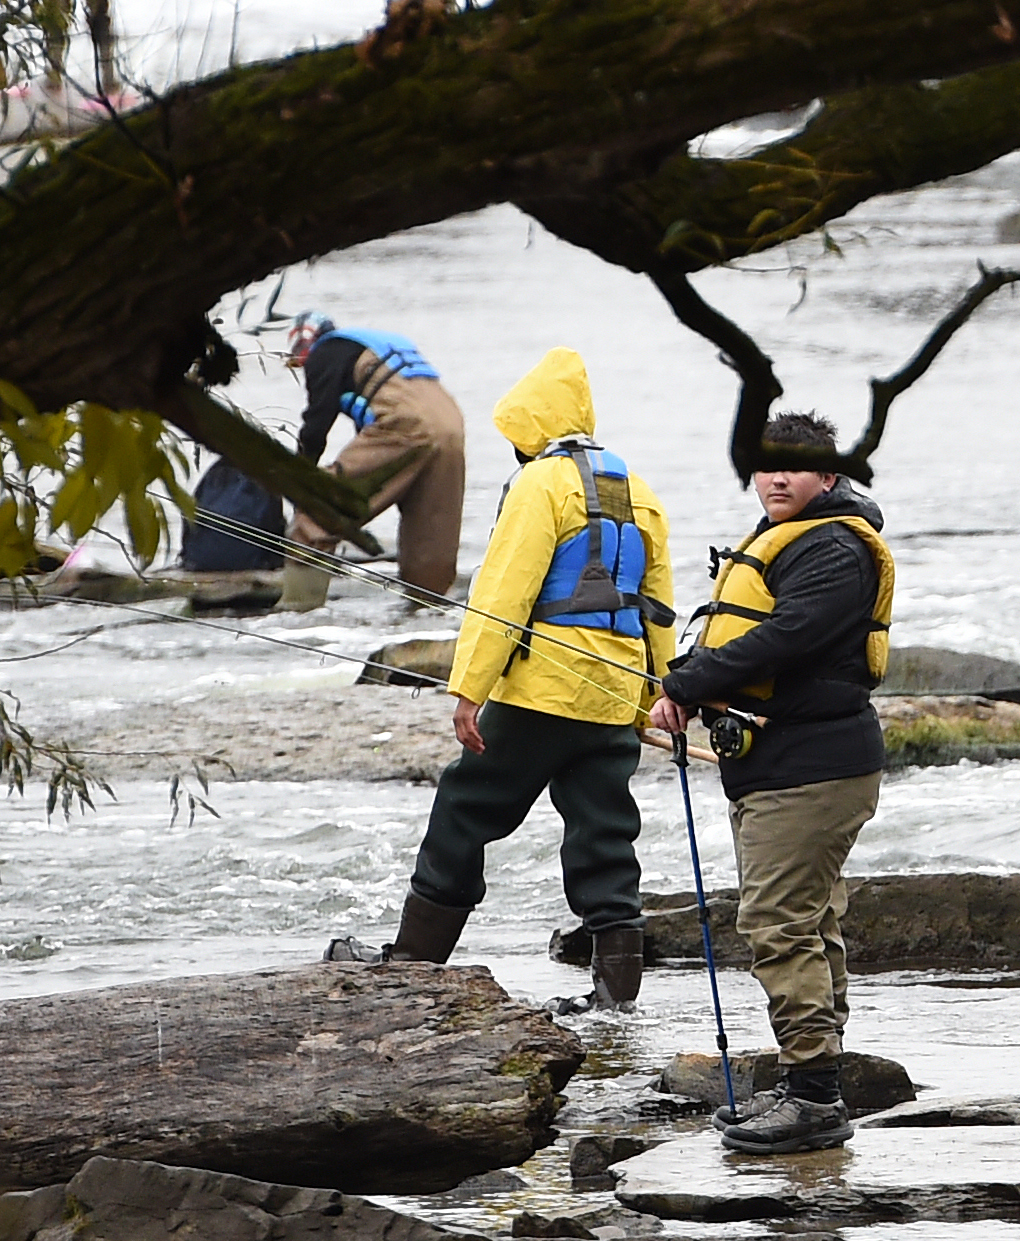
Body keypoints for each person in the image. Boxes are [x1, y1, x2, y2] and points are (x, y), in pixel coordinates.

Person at [329, 350, 674, 1013]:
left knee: (464, 810)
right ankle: (614, 997)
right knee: (604, 833)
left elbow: (503, 592)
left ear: (531, 425)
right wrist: (655, 697)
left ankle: (413, 965)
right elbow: (655, 605)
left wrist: (468, 688)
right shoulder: (639, 490)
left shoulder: (541, 484)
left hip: (540, 692)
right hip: (611, 694)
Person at [648, 412, 893, 1156]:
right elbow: (738, 634)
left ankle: (814, 1098)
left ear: (829, 475)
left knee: (776, 925)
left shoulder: (834, 549)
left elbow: (790, 634)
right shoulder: (782, 539)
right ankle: (816, 1075)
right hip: (778, 763)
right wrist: (687, 691)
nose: (775, 479)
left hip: (814, 768)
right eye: (764, 467)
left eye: (793, 468)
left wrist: (688, 677)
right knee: (810, 921)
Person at [280, 312, 469, 608]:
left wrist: (300, 486)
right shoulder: (372, 347)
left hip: (407, 423)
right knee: (431, 538)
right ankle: (427, 617)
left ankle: (296, 614)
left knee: (319, 509)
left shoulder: (325, 352)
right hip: (450, 423)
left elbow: (316, 426)